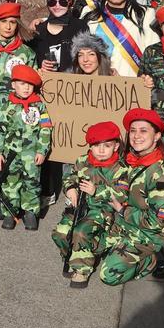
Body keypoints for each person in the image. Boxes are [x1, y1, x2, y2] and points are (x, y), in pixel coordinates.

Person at [85, 109, 164, 287]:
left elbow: (157, 221)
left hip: (149, 232)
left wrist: (123, 210)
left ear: (157, 136)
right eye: (133, 131)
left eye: (143, 131)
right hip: (125, 222)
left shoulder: (160, 173)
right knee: (89, 243)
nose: (136, 136)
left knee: (108, 275)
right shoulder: (132, 158)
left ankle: (155, 258)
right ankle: (121, 246)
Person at [52, 121, 124, 287]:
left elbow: (120, 194)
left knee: (80, 232)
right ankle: (72, 255)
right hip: (80, 207)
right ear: (90, 147)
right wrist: (70, 188)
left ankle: (82, 269)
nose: (101, 150)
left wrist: (96, 191)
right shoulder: (83, 160)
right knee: (60, 233)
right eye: (96, 145)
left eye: (107, 145)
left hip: (102, 211)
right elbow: (70, 177)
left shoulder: (120, 168)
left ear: (116, 146)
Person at [0, 64, 53, 231]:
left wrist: (42, 150)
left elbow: (46, 129)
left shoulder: (39, 105)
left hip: (31, 154)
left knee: (31, 183)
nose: (26, 88)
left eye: (30, 84)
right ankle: (10, 211)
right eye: (22, 84)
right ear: (13, 85)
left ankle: (30, 211)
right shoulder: (7, 106)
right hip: (11, 154)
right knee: (10, 183)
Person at [79, 0, 158, 77]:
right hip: (96, 84)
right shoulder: (89, 13)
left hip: (130, 85)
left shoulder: (145, 13)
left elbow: (153, 54)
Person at [34, 0, 87, 73]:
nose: (57, 6)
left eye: (63, 2)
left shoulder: (81, 27)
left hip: (73, 84)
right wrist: (40, 67)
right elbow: (33, 62)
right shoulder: (38, 30)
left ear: (70, 1)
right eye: (52, 2)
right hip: (47, 84)